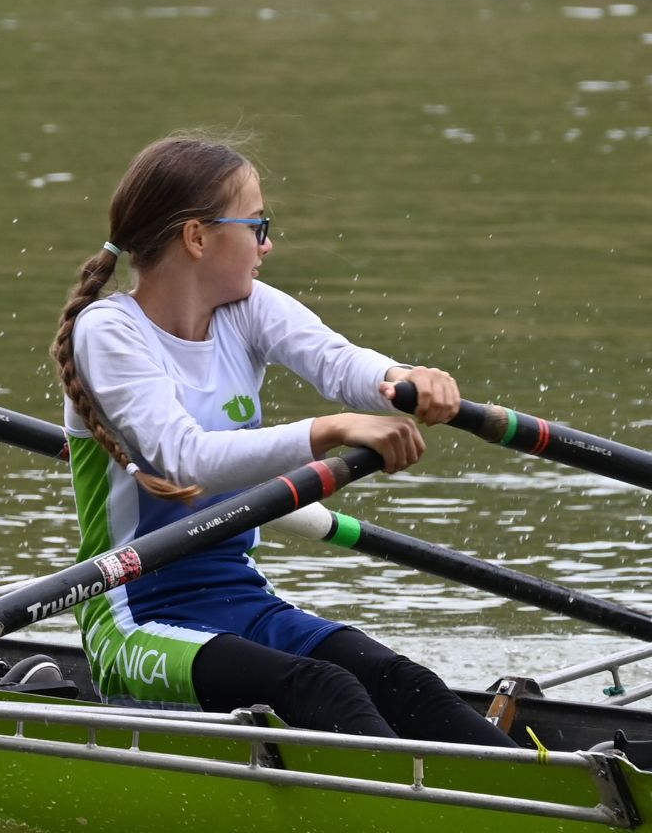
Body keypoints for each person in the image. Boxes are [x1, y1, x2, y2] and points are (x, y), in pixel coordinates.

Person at [50, 133, 516, 746]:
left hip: (238, 596)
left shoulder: (245, 308)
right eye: (257, 224)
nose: (268, 244)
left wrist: (404, 379)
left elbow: (340, 364)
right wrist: (329, 430)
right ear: (197, 237)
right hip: (133, 617)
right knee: (324, 689)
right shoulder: (107, 332)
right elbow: (185, 460)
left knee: (406, 681)